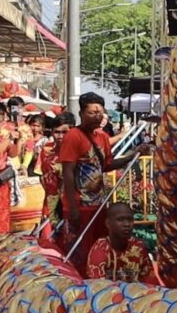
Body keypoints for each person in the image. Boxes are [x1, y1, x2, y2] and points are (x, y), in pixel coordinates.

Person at [60, 92, 145, 275]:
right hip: (80, 205)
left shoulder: (103, 137)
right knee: (79, 252)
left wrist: (133, 155)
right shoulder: (73, 136)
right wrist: (72, 206)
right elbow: (67, 172)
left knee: (97, 249)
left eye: (100, 112)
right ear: (81, 114)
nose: (97, 116)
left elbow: (107, 165)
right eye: (92, 112)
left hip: (98, 204)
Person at [86, 203, 156, 284]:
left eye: (130, 219)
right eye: (120, 219)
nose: (127, 224)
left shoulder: (138, 247)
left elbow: (150, 281)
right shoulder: (100, 249)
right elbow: (97, 287)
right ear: (108, 223)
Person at [36, 113, 75, 239]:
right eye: (57, 132)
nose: (60, 136)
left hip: (71, 203)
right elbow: (43, 176)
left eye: (64, 132)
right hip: (50, 202)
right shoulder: (46, 150)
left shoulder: (78, 152)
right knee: (49, 240)